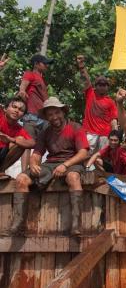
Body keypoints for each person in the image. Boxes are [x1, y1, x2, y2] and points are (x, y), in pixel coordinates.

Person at [9, 97, 89, 236]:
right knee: (21, 178)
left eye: (57, 113)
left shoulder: (76, 127)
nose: (54, 117)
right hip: (51, 164)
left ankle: (76, 224)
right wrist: (33, 164)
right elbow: (37, 153)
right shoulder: (45, 132)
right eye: (50, 114)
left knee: (73, 177)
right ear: (46, 117)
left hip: (72, 162)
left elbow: (83, 153)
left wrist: (65, 165)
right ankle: (19, 225)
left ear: (63, 112)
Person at [76, 55, 118, 154]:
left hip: (105, 135)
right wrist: (81, 66)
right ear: (96, 86)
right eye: (100, 84)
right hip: (90, 133)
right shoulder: (90, 94)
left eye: (104, 85)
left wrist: (115, 134)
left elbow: (113, 120)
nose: (102, 87)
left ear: (107, 87)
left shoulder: (111, 102)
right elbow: (86, 80)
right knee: (85, 156)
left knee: (103, 160)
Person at [18, 54, 53, 140]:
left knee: (45, 145)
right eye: (44, 63)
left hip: (44, 117)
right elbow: (22, 88)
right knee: (27, 146)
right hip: (31, 116)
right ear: (36, 64)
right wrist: (22, 91)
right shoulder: (30, 74)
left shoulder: (42, 79)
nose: (46, 65)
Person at [0, 97, 35, 174]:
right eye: (14, 107)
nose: (16, 111)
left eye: (21, 110)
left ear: (23, 116)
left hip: (2, 154)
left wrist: (12, 139)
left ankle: (1, 170)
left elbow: (32, 143)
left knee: (21, 140)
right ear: (5, 109)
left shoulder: (19, 129)